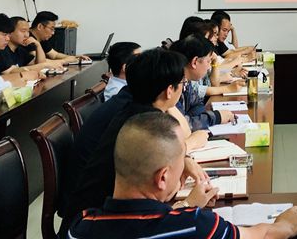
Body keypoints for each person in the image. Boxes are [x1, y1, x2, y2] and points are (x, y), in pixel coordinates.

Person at [68, 112, 297, 239]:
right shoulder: (194, 225)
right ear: (163, 178)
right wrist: (285, 225)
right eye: (181, 164)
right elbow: (261, 235)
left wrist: (185, 205)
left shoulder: (78, 228)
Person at [61, 48, 208, 237]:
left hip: (90, 216)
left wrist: (183, 159)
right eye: (183, 83)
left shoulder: (133, 106)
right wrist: (187, 205)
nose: (184, 88)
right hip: (94, 226)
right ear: (169, 90)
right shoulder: (145, 126)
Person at [170, 35, 233, 131]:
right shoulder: (174, 85)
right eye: (208, 61)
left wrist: (196, 119)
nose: (209, 67)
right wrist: (216, 117)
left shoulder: (186, 81)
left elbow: (197, 104)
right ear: (195, 62)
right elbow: (182, 126)